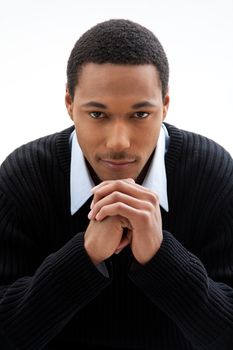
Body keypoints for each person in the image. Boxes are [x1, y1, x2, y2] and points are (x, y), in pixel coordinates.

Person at [0, 18, 233, 350]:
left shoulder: (212, 173)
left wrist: (160, 256)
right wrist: (85, 256)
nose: (120, 142)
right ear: (69, 105)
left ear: (165, 106)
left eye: (140, 115)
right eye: (98, 114)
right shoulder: (24, 175)